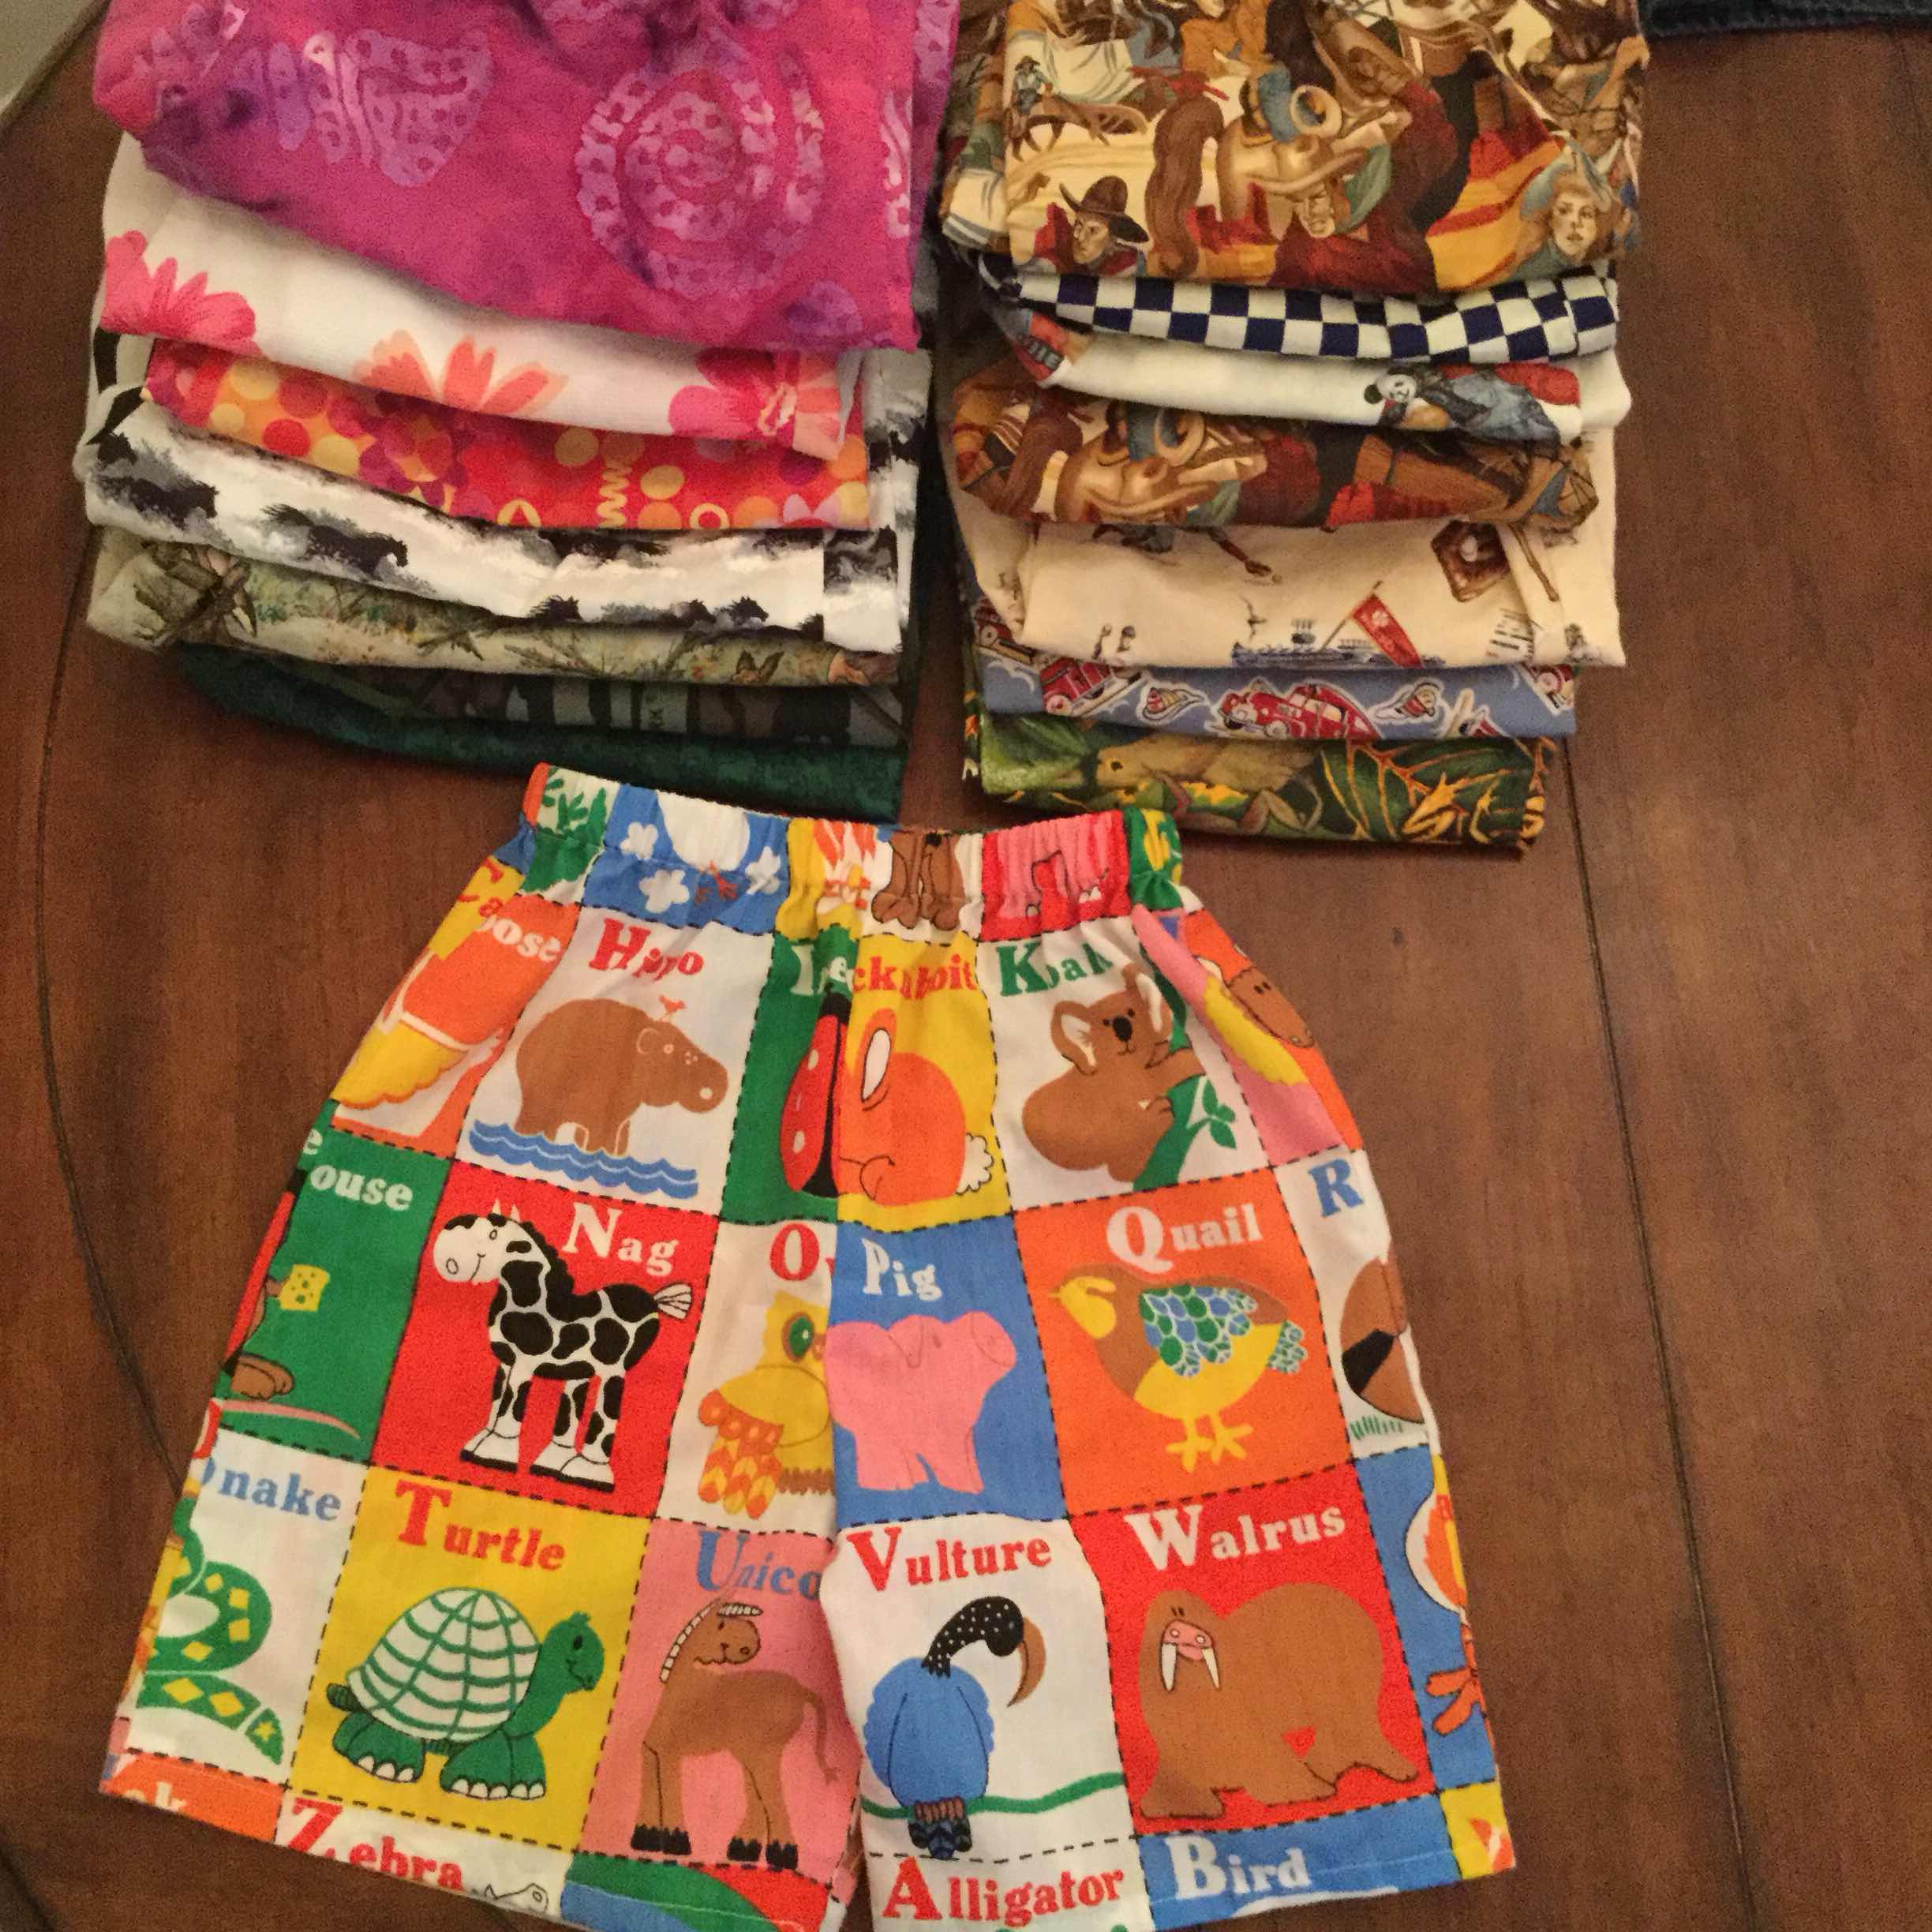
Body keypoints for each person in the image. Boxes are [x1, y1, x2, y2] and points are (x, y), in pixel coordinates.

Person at [1032, 175, 1150, 274]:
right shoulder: (1056, 258)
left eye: (1093, 230)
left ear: (1112, 238)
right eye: (1078, 224)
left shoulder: (1128, 267)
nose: (1079, 236)